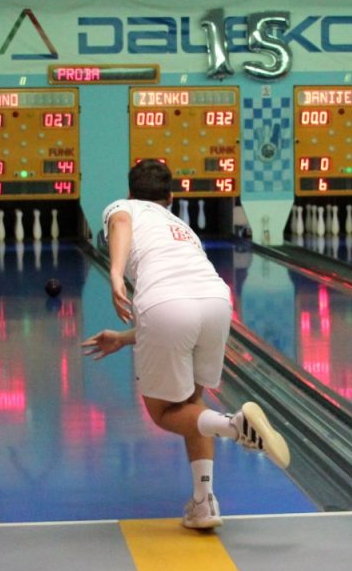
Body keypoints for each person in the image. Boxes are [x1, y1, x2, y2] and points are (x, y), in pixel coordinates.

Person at [81, 159, 290, 530]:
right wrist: (127, 338)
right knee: (192, 406)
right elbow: (181, 309)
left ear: (129, 193)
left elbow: (122, 224)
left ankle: (236, 426)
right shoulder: (183, 228)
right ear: (171, 198)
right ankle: (203, 502)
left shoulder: (123, 208)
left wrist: (115, 275)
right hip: (216, 302)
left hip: (166, 305)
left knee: (164, 413)